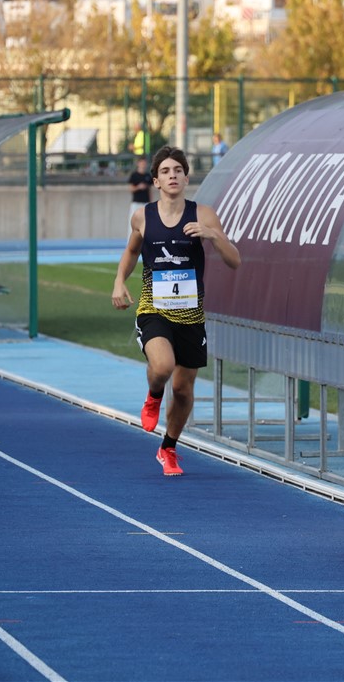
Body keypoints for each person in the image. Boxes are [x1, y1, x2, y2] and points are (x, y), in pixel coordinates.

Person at [111, 146, 241, 476]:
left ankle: (168, 448)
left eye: (178, 170)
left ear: (186, 178)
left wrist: (212, 236)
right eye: (166, 171)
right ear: (156, 180)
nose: (172, 176)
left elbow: (234, 260)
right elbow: (131, 251)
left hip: (191, 315)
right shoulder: (143, 217)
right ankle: (154, 395)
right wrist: (118, 281)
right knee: (163, 365)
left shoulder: (204, 215)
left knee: (183, 390)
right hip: (154, 308)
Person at [127, 157, 152, 234]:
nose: (143, 165)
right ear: (138, 164)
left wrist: (150, 202)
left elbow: (150, 190)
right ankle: (131, 239)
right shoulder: (134, 175)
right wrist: (138, 187)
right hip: (136, 203)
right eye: (142, 163)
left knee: (147, 222)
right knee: (133, 222)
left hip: (146, 203)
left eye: (144, 163)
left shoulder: (148, 176)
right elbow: (131, 188)